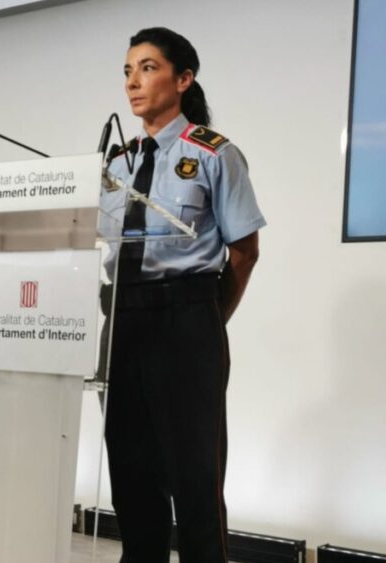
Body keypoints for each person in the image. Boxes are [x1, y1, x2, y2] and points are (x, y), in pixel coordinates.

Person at [100, 28, 265, 562]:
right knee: (131, 474)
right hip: (121, 321)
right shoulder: (116, 164)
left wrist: (207, 317)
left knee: (195, 478)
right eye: (128, 71)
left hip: (186, 320)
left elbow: (244, 252)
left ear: (183, 79)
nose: (133, 82)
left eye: (148, 68)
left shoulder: (214, 154)